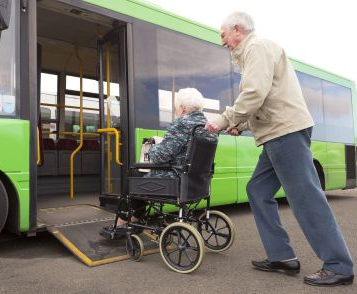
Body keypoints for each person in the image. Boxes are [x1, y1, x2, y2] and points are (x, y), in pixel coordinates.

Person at [205, 11, 354, 287]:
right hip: (277, 133)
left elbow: (254, 93)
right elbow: (267, 98)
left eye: (223, 34)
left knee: (305, 197)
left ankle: (338, 265)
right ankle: (282, 256)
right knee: (258, 190)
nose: (222, 40)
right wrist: (244, 125)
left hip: (285, 133)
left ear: (237, 29)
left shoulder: (256, 47)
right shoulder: (254, 51)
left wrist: (224, 120)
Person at [100, 87, 217, 239]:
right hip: (199, 181)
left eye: (176, 108)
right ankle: (135, 218)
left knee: (133, 172)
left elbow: (160, 156)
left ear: (182, 108)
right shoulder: (209, 126)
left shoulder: (181, 124)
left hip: (176, 178)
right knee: (139, 175)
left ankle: (123, 221)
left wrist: (153, 146)